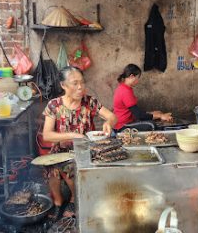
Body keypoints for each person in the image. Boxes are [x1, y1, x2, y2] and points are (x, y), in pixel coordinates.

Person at [42, 66, 117, 220]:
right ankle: (58, 201)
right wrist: (70, 135)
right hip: (61, 150)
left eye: (82, 82)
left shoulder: (89, 102)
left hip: (85, 149)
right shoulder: (54, 105)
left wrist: (109, 122)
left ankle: (74, 199)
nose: (80, 87)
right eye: (75, 83)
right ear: (63, 85)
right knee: (51, 167)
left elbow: (112, 116)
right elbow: (47, 135)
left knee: (70, 167)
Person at [113, 64, 173, 132]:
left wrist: (153, 113)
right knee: (152, 125)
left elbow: (135, 111)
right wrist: (160, 116)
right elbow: (139, 115)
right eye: (138, 78)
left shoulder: (123, 88)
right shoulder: (125, 91)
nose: (138, 81)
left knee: (156, 115)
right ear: (132, 76)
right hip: (123, 126)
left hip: (125, 122)